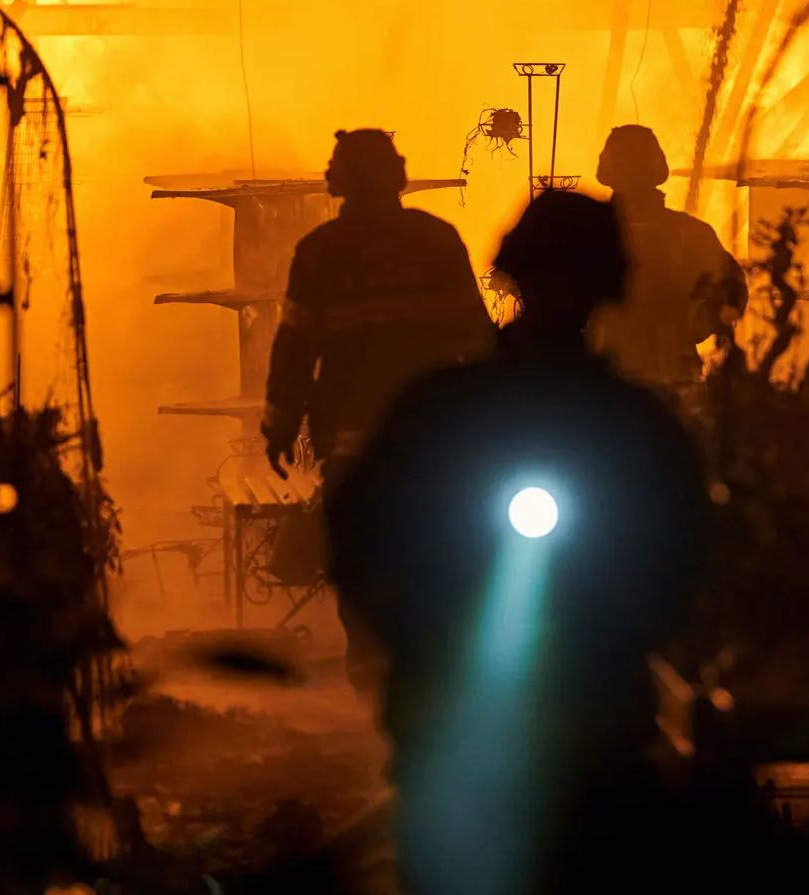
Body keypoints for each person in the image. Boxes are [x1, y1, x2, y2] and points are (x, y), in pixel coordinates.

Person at [325, 190, 710, 895]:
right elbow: (360, 534)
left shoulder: (446, 409)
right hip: (506, 714)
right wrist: (414, 637)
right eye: (551, 278)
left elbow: (685, 560)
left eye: (573, 280)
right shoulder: (627, 424)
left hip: (574, 720)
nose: (560, 298)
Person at [262, 128, 495, 696]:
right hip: (436, 435)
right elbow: (478, 337)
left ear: (338, 180)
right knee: (441, 539)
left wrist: (280, 424)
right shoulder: (438, 240)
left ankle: (371, 664)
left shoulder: (319, 251)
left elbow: (296, 345)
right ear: (399, 175)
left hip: (353, 433)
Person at [591, 124, 746, 386]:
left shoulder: (583, 233)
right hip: (658, 375)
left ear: (606, 171)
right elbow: (732, 292)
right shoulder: (691, 233)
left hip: (608, 379)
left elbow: (730, 290)